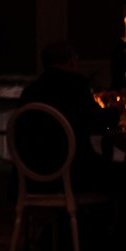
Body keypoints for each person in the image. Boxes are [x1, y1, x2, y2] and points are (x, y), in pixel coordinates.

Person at [18, 41, 111, 187]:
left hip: (34, 175)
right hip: (76, 172)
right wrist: (116, 111)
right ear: (72, 61)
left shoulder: (30, 91)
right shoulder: (75, 84)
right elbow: (99, 121)